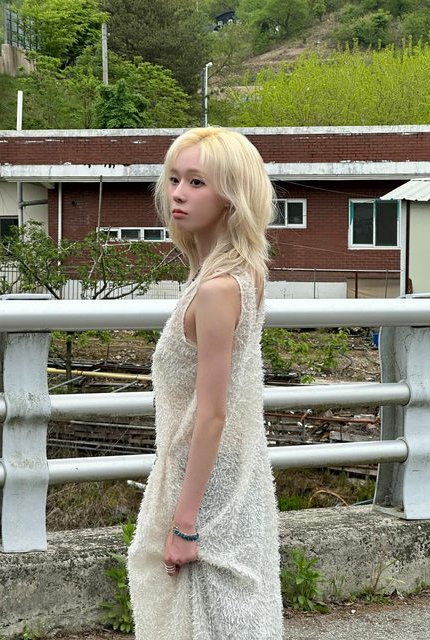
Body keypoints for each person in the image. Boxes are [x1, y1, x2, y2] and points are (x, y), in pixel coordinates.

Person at [127, 127, 283, 640]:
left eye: (197, 182)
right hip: (232, 472)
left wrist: (184, 523)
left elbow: (213, 412)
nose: (178, 193)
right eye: (174, 179)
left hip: (208, 485)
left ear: (231, 196)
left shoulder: (217, 289)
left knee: (208, 619)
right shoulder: (242, 272)